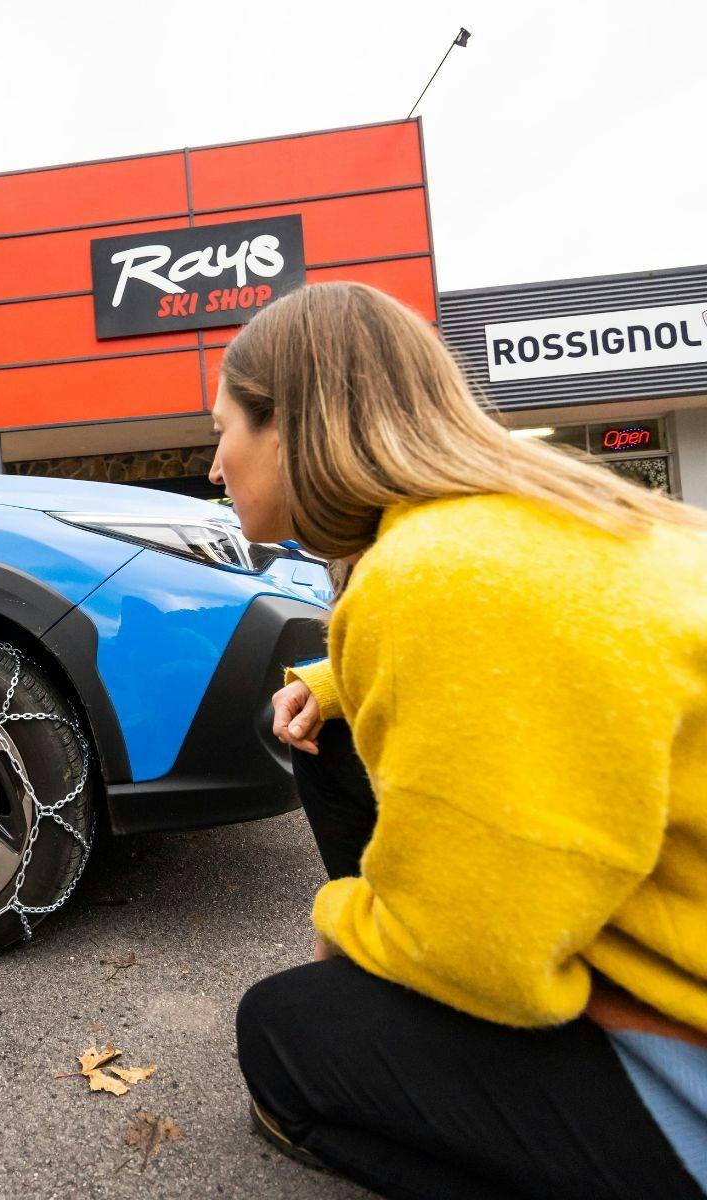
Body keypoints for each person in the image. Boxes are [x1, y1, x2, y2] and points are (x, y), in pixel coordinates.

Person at [208, 281, 707, 1199]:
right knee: (335, 738)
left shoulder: (438, 574)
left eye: (223, 430)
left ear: (287, 427)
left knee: (283, 1032)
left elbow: (488, 958)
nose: (214, 466)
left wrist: (353, 930)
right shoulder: (538, 523)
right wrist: (330, 683)